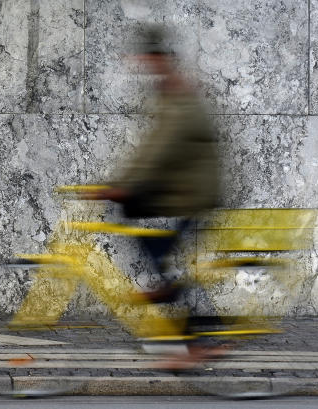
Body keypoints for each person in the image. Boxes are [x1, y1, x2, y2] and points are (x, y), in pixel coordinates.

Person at [87, 26, 222, 369]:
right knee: (141, 226)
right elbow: (150, 149)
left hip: (192, 193)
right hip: (179, 189)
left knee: (141, 223)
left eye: (147, 57)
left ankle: (194, 347)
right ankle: (167, 291)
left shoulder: (178, 93)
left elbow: (160, 150)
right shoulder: (169, 92)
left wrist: (121, 186)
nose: (142, 63)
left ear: (160, 58)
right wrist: (118, 184)